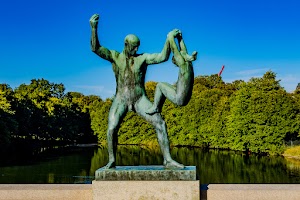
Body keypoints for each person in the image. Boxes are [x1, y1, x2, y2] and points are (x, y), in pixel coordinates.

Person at [90, 13, 184, 169]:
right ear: (126, 45)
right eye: (134, 47)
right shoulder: (115, 56)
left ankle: (168, 160)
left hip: (140, 99)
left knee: (160, 123)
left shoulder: (143, 58)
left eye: (138, 46)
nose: (136, 49)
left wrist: (169, 39)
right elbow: (96, 48)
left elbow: (162, 57)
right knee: (112, 128)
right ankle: (112, 160)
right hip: (121, 98)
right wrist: (93, 28)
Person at [146, 31, 197, 114]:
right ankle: (158, 106)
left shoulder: (184, 65)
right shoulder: (188, 65)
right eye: (181, 55)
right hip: (185, 97)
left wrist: (171, 37)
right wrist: (180, 38)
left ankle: (156, 107)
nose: (182, 54)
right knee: (166, 85)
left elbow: (175, 49)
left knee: (159, 85)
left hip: (180, 98)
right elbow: (182, 51)